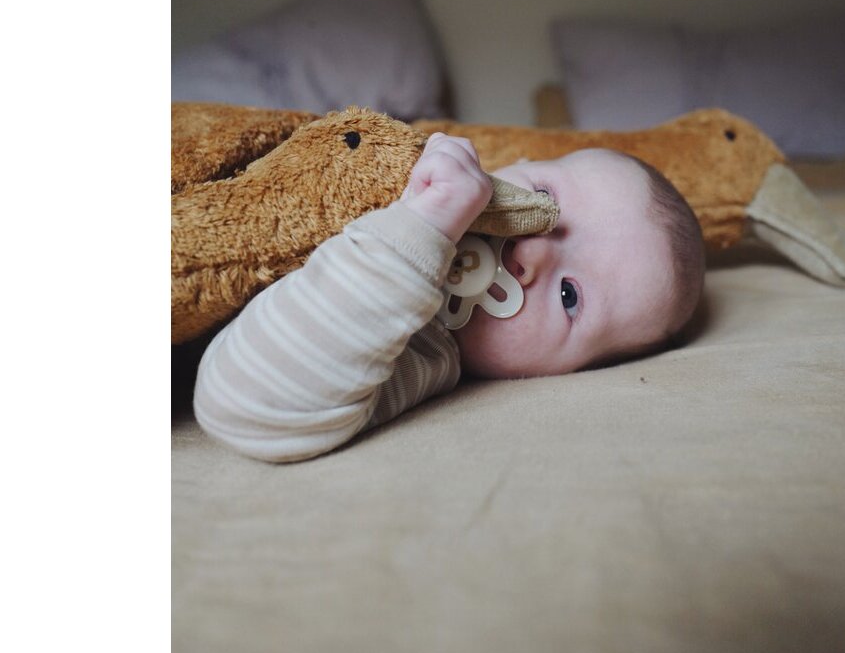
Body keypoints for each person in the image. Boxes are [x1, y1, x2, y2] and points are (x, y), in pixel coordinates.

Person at [193, 132, 705, 462]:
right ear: (519, 162)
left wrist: (418, 231)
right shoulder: (429, 160)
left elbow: (240, 406)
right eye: (545, 200)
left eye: (570, 295)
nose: (532, 252)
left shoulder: (425, 351)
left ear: (563, 374)